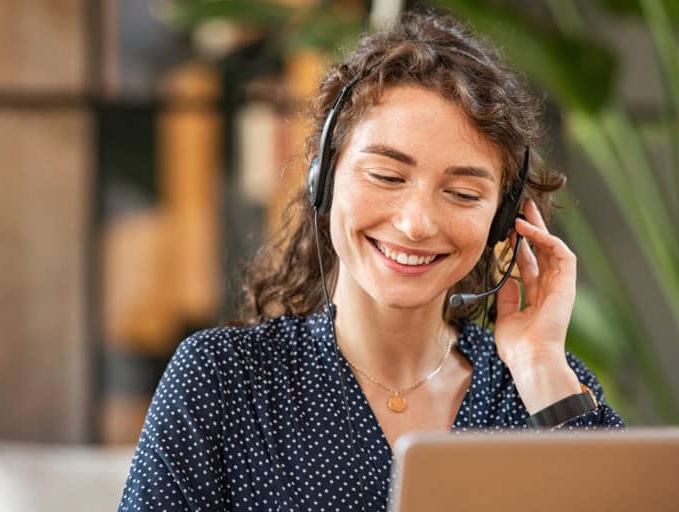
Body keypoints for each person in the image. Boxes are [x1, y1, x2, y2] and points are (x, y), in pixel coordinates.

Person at [118, 10, 624, 512]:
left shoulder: (546, 390)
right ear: (325, 180)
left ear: (501, 219)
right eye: (386, 176)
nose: (417, 222)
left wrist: (540, 368)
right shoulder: (225, 380)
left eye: (463, 193)